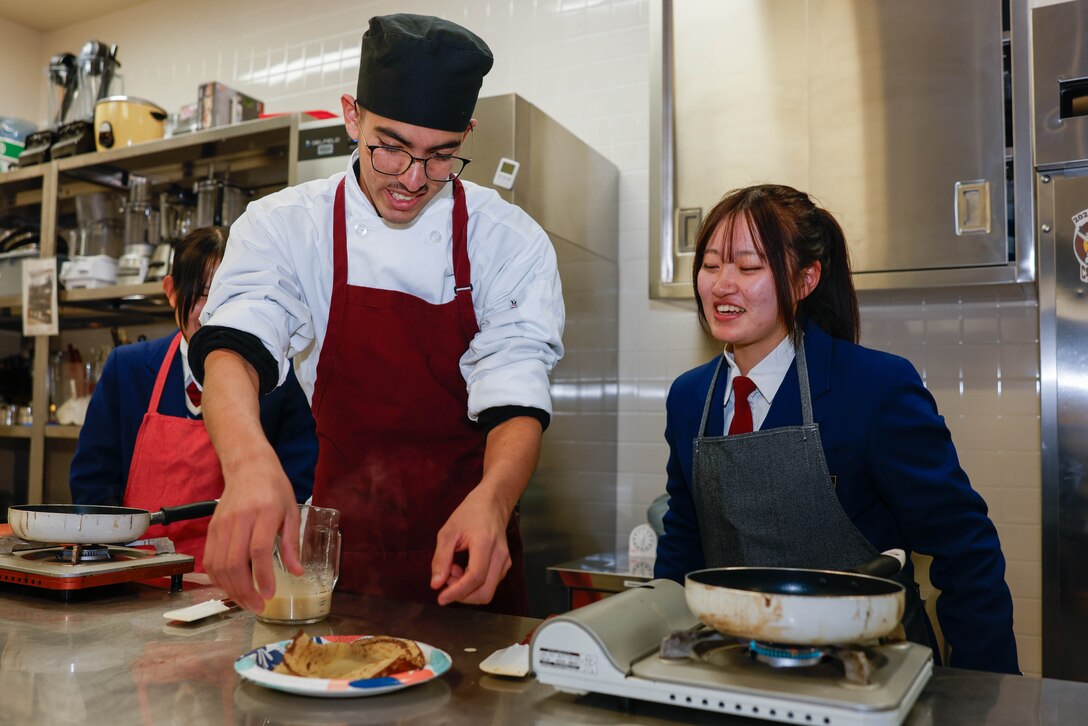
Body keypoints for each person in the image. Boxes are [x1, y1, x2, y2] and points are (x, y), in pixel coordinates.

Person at [188, 14, 564, 616]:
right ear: (351, 116)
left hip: (471, 551)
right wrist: (249, 462)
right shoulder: (287, 224)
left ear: (467, 134)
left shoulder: (509, 241)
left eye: (442, 157)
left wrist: (493, 500)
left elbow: (516, 387)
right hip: (339, 555)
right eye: (390, 148)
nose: (413, 180)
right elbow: (236, 339)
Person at [654, 184, 1020, 674]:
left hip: (873, 669)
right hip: (739, 667)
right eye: (712, 264)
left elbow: (964, 546)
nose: (722, 285)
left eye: (748, 267)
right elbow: (684, 536)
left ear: (805, 280)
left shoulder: (875, 387)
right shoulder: (689, 397)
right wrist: (659, 648)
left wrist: (986, 691)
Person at [69, 227, 318, 570]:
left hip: (239, 584)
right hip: (134, 576)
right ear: (171, 291)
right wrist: (115, 565)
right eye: (201, 295)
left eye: (228, 296)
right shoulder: (127, 369)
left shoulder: (282, 380)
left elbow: (298, 487)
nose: (214, 312)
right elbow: (93, 482)